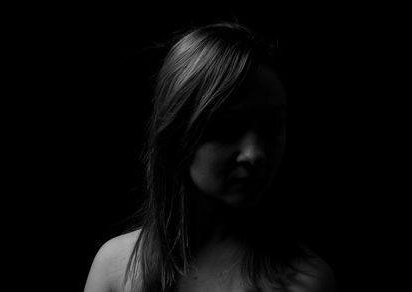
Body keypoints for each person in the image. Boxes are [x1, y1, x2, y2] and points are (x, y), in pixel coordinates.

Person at [84, 21, 336, 292]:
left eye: (273, 127)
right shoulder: (116, 267)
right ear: (176, 133)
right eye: (227, 128)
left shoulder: (305, 283)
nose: (255, 154)